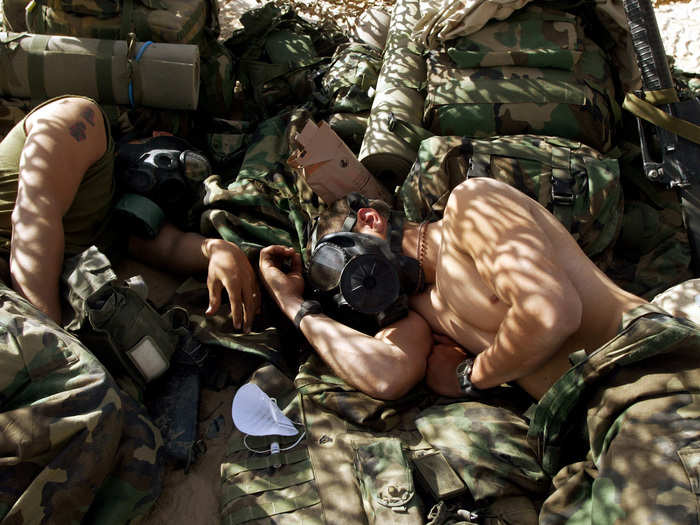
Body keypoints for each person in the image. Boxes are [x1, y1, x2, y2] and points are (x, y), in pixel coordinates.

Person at [259, 178, 700, 522]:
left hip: (645, 380)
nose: (350, 290)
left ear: (370, 220)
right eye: (335, 288)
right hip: (587, 439)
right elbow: (385, 375)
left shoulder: (471, 207)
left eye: (337, 262)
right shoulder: (420, 308)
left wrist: (469, 375)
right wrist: (296, 305)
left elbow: (550, 311)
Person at [0, 95, 260, 523]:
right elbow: (32, 222)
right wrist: (57, 342)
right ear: (153, 134)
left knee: (138, 453)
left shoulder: (120, 216)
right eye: (178, 158)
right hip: (18, 302)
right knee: (87, 395)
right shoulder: (77, 120)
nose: (173, 177)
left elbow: (173, 245)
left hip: (21, 318)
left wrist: (221, 249)